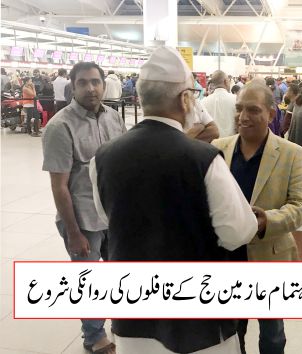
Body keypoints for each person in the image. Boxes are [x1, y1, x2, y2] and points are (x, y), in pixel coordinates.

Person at [89, 47, 258, 354]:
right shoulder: (203, 158)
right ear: (184, 99)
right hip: (199, 324)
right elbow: (238, 232)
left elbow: (105, 218)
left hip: (134, 317)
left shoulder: (103, 158)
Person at [212, 82, 302, 354]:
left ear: (270, 114)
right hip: (228, 257)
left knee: (272, 333)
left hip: (270, 257)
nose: (243, 117)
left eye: (253, 110)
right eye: (239, 109)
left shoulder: (292, 153)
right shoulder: (218, 149)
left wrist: (266, 220)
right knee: (233, 331)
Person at [42, 62, 127, 354]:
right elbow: (59, 185)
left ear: (103, 84)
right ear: (73, 87)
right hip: (83, 220)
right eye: (83, 83)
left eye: (95, 82)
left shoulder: (114, 118)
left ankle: (120, 324)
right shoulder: (60, 126)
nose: (91, 88)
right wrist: (74, 232)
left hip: (113, 216)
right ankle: (93, 336)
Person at [201, 70, 237, 138]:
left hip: (211, 145)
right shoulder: (236, 99)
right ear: (225, 81)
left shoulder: (203, 102)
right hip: (231, 144)